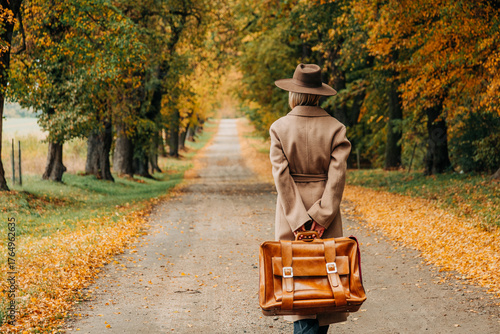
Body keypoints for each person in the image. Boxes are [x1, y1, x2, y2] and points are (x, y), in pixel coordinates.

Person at [269, 63, 352, 334]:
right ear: (319, 94)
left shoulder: (279, 128)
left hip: (292, 212)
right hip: (325, 213)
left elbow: (281, 177)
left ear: (293, 94)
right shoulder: (336, 128)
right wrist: (320, 217)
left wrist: (298, 220)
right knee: (324, 282)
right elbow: (337, 177)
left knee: (298, 281)